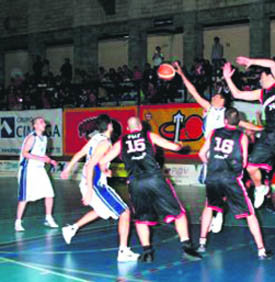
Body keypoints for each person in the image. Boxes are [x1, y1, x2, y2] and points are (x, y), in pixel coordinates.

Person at [173, 61, 261, 233]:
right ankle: (217, 215)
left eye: (218, 97)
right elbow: (193, 90)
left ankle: (220, 213)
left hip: (225, 156)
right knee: (211, 191)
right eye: (213, 97)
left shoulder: (227, 116)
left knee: (224, 187)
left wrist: (269, 128)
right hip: (211, 154)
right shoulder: (209, 108)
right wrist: (181, 73)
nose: (214, 98)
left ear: (224, 102)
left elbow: (249, 126)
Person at [100, 117, 202, 263]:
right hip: (154, 179)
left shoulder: (121, 142)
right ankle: (187, 248)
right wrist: (179, 145)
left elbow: (102, 161)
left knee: (141, 219)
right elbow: (174, 147)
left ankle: (147, 253)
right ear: (141, 126)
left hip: (135, 183)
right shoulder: (149, 135)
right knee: (178, 213)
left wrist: (105, 170)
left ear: (128, 129)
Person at [223, 57, 275, 223]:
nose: (260, 80)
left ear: (270, 76)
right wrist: (228, 78)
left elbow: (274, 64)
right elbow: (237, 94)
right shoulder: (262, 94)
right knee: (250, 167)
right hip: (267, 135)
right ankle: (260, 188)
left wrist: (251, 61)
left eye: (261, 77)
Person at [60, 114, 139, 262]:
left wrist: (67, 169)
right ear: (110, 126)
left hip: (91, 181)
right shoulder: (105, 143)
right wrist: (89, 190)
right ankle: (123, 251)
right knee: (125, 212)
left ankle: (71, 228)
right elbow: (90, 165)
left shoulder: (95, 139)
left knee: (100, 211)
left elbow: (79, 155)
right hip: (95, 185)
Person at [197, 107, 271, 259]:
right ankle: (261, 250)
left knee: (208, 207)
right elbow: (244, 162)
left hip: (213, 176)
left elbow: (201, 153)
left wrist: (209, 164)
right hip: (231, 178)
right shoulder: (241, 136)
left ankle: (202, 243)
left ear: (224, 120)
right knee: (250, 214)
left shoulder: (213, 132)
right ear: (238, 122)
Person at [15, 117, 59, 231]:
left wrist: (50, 160)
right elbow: (25, 154)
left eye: (44, 121)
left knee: (49, 193)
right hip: (28, 170)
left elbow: (41, 155)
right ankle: (18, 222)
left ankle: (48, 218)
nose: (44, 123)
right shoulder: (31, 138)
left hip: (39, 169)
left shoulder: (44, 138)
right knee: (25, 197)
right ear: (35, 126)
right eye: (41, 122)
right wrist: (41, 158)